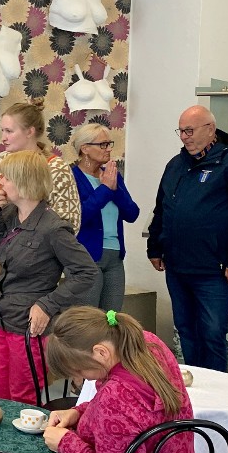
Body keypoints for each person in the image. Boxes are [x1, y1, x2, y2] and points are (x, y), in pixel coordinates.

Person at [42, 307, 202, 453]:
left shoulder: (115, 399)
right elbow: (135, 413)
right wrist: (79, 411)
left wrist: (66, 443)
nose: (82, 379)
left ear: (101, 352)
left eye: (80, 370)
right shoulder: (146, 344)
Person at [0, 101, 81, 381]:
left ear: (30, 131)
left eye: (9, 131)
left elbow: (68, 221)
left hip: (30, 273)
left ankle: (14, 392)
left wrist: (28, 239)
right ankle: (1, 387)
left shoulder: (56, 168)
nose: (3, 137)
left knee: (19, 348)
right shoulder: (3, 162)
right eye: (3, 131)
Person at [146, 105, 228, 371]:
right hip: (177, 268)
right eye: (181, 131)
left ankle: (216, 391)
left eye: (189, 131)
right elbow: (162, 209)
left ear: (210, 129)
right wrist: (154, 247)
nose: (184, 137)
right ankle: (194, 388)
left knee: (212, 334)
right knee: (186, 331)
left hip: (214, 271)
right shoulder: (175, 165)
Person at [0, 150, 97, 403]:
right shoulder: (8, 215)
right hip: (1, 319)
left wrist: (47, 305)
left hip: (28, 328)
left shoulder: (53, 228)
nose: (1, 183)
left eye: (7, 178)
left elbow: (86, 273)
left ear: (24, 182)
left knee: (23, 399)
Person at [70, 122, 140, 313]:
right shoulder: (72, 177)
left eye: (109, 144)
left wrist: (115, 189)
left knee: (112, 318)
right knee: (87, 319)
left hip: (115, 257)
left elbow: (132, 214)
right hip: (85, 257)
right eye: (103, 145)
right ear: (85, 148)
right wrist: (104, 190)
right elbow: (78, 218)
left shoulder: (111, 176)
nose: (108, 149)